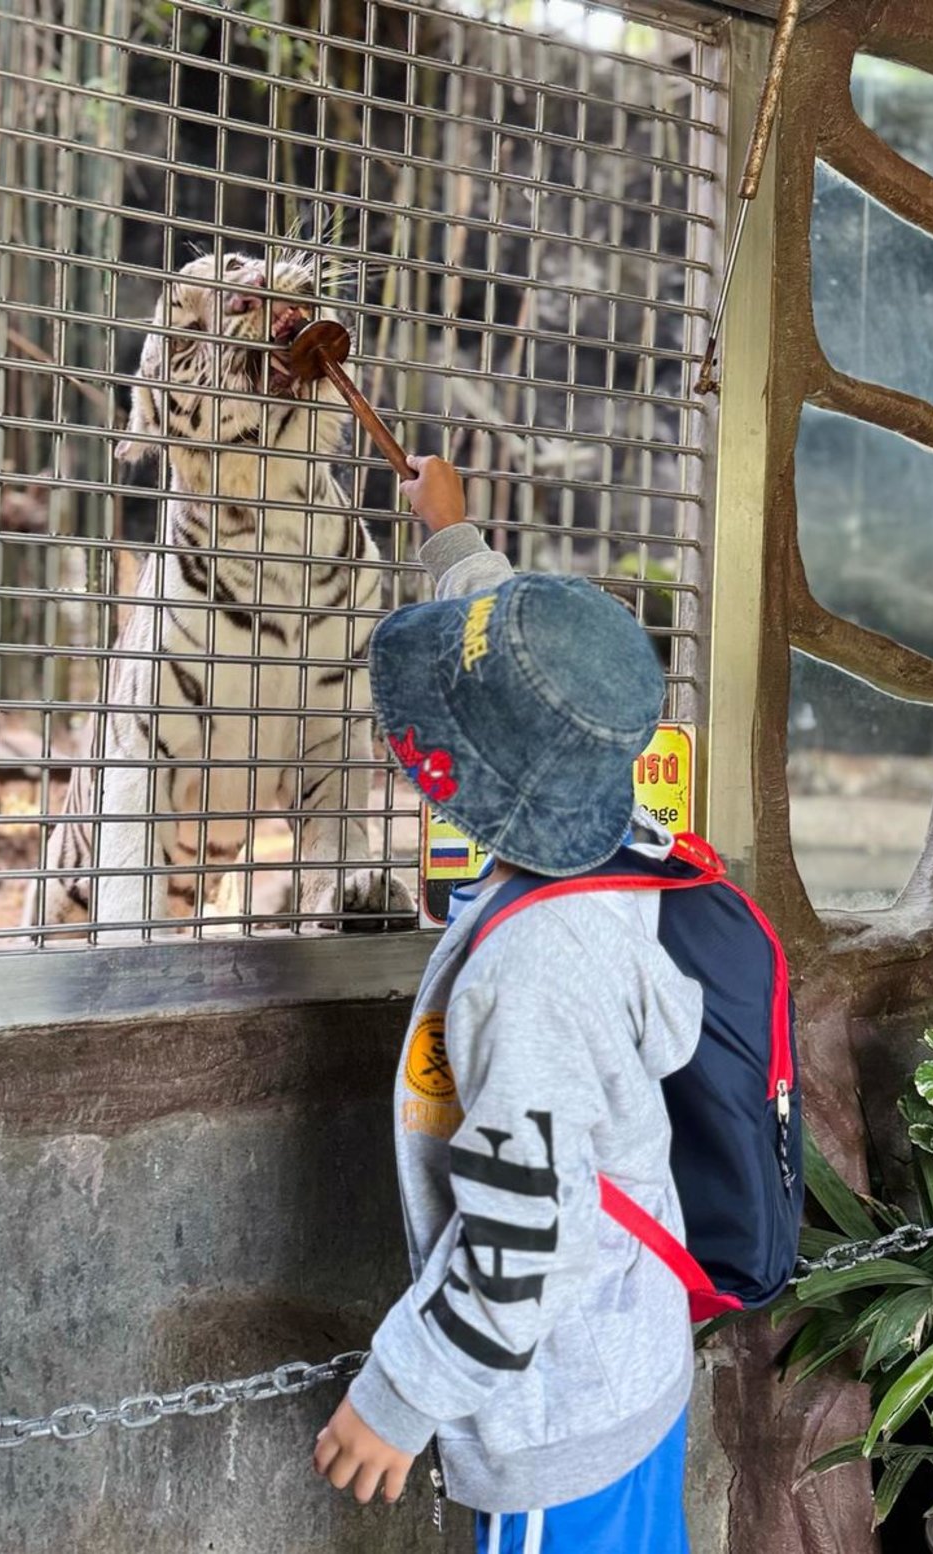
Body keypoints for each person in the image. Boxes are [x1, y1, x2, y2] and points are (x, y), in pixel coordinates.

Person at [314, 456, 703, 1553]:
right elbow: (523, 659)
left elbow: (524, 1232)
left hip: (557, 1420)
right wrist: (451, 540)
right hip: (627, 1368)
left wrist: (400, 1394)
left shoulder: (534, 976)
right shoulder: (599, 816)